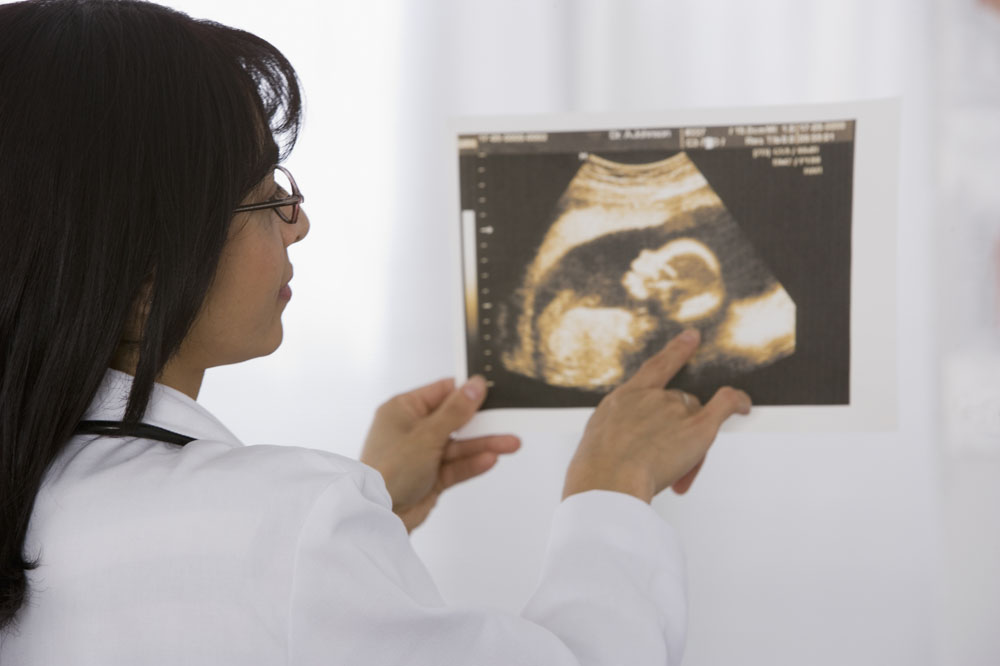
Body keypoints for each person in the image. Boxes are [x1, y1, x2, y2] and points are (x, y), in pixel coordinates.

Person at [0, 1, 752, 663]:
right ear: (142, 272)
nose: (298, 222)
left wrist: (366, 520)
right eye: (263, 196)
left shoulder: (50, 498)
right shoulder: (282, 522)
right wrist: (613, 484)